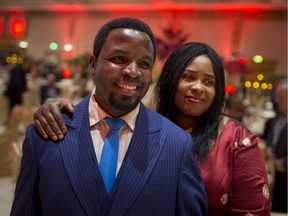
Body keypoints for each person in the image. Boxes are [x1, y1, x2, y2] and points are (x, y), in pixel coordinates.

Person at [33, 42, 271, 215]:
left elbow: (252, 211)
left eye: (209, 82)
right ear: (169, 80)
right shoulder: (139, 126)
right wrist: (60, 110)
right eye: (188, 77)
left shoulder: (237, 139)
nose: (198, 88)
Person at [11, 17, 208, 216]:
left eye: (144, 63)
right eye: (119, 59)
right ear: (93, 64)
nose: (133, 72)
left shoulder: (176, 143)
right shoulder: (45, 135)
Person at [263, 78, 287, 213]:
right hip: (276, 173)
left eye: (281, 97)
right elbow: (271, 134)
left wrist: (282, 163)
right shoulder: (280, 113)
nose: (277, 101)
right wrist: (268, 147)